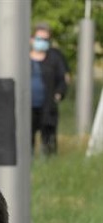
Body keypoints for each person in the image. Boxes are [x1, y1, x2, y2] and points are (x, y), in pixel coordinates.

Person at [30, 23, 67, 157]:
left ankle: (48, 163)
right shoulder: (22, 58)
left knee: (49, 141)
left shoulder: (54, 57)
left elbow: (62, 79)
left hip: (48, 106)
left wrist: (58, 94)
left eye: (45, 39)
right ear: (32, 39)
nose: (42, 42)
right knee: (26, 140)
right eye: (39, 39)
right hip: (27, 107)